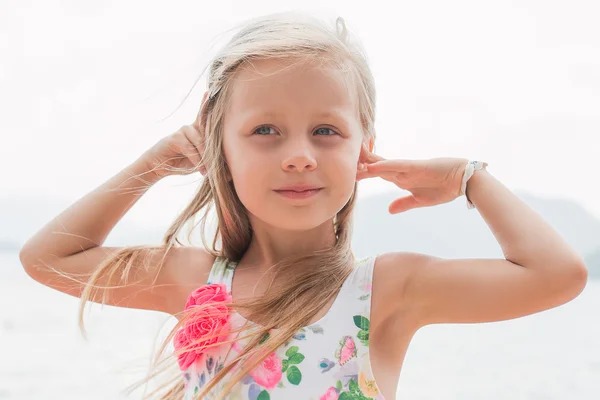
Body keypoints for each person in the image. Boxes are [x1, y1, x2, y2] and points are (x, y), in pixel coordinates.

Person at [18, 11, 588, 400]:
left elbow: (557, 275)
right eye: (265, 129)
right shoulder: (195, 281)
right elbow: (47, 257)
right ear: (220, 147)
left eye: (325, 131)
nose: (298, 156)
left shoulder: (387, 289)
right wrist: (157, 161)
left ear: (364, 147)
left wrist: (470, 179)